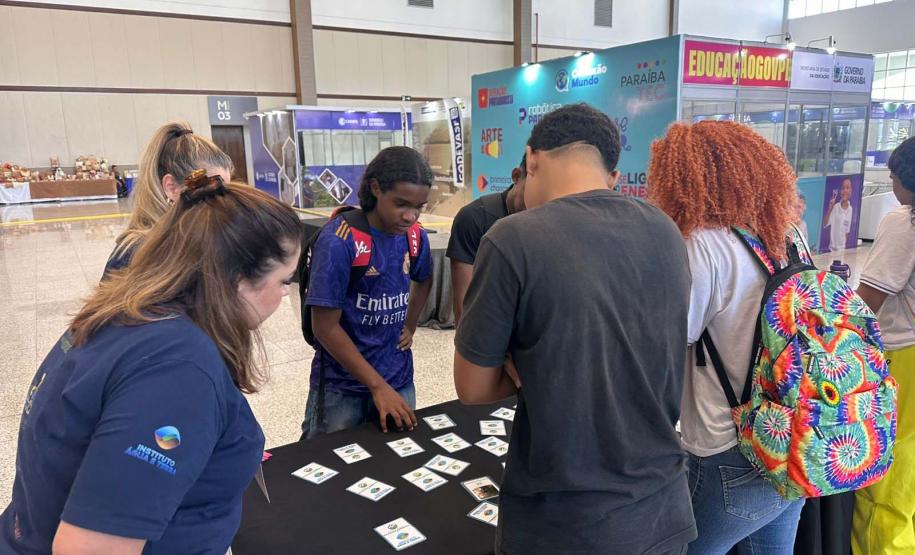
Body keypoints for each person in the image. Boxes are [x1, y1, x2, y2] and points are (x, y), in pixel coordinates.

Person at [0, 172, 303, 555]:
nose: (283, 296)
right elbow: (91, 549)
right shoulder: (178, 369)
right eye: (284, 281)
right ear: (239, 281)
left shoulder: (132, 313)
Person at [453, 104, 697, 554]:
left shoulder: (512, 238)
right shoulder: (664, 230)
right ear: (612, 175)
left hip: (564, 521)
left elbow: (472, 387)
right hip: (662, 506)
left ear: (531, 159)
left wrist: (528, 365)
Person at [647, 120, 805, 554]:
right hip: (792, 436)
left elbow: (665, 340)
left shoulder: (701, 246)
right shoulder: (787, 236)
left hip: (728, 447)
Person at [301, 146, 434, 438]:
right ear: (375, 189)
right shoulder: (339, 241)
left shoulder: (415, 236)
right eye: (401, 204)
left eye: (419, 207)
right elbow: (324, 327)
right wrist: (377, 387)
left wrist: (410, 324)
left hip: (398, 379)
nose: (410, 216)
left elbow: (424, 279)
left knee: (398, 463)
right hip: (342, 388)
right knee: (330, 468)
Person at [852, 135, 915, 555]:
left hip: (902, 359)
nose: (891, 187)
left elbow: (865, 304)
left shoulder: (904, 220)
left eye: (893, 178)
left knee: (883, 476)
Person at [104, 122, 233, 275]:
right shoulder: (135, 254)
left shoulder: (200, 236)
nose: (223, 203)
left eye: (225, 192)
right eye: (210, 191)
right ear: (172, 188)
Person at [447, 154, 526, 323]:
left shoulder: (551, 220)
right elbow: (464, 302)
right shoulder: (474, 217)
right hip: (489, 329)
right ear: (517, 176)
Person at [824, 177, 855, 252]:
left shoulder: (850, 209)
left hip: (842, 250)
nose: (845, 191)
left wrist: (843, 248)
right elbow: (825, 224)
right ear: (840, 191)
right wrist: (830, 209)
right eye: (843, 188)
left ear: (851, 190)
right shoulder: (835, 207)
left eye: (847, 188)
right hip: (832, 250)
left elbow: (847, 231)